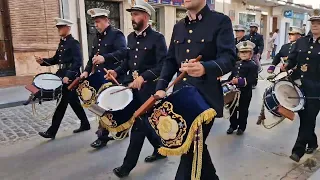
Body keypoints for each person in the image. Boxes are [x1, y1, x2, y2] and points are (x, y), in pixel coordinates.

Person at [154, 1, 236, 179]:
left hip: (204, 99)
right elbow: (170, 61)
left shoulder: (220, 21)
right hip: (180, 97)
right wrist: (161, 87)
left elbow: (229, 58)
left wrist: (206, 68)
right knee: (194, 149)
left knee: (190, 147)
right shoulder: (178, 27)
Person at [105, 0, 168, 177]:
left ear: (146, 17)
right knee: (144, 124)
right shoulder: (131, 38)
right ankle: (160, 148)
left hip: (149, 90)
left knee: (139, 125)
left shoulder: (157, 38)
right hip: (132, 88)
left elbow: (163, 64)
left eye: (136, 14)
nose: (133, 18)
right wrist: (115, 72)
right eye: (132, 14)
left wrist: (144, 77)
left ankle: (127, 166)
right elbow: (127, 62)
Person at [79, 8, 128, 149]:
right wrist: (86, 71)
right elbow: (92, 58)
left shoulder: (116, 34)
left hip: (112, 76)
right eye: (94, 22)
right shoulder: (97, 38)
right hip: (100, 77)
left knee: (107, 105)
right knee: (98, 105)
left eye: (98, 21)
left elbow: (123, 52)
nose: (96, 25)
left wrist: (105, 58)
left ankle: (104, 135)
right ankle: (105, 132)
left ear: (107, 20)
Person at [36, 18, 91, 139]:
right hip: (62, 76)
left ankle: (52, 131)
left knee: (61, 103)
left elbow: (78, 62)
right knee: (73, 102)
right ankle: (85, 123)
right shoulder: (62, 43)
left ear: (68, 27)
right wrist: (42, 61)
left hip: (70, 78)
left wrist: (69, 75)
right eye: (58, 27)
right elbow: (55, 59)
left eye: (61, 27)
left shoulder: (73, 43)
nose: (59, 29)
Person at [281, 9, 320, 162]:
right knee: (305, 118)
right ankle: (313, 142)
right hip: (299, 86)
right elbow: (292, 58)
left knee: (309, 118)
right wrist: (287, 65)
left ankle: (298, 150)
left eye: (319, 23)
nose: (315, 25)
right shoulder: (301, 41)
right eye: (313, 23)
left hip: (317, 88)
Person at [256, 26, 302, 125]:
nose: (290, 36)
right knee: (279, 90)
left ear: (299, 36)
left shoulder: (301, 47)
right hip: (284, 73)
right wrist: (272, 66)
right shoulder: (285, 46)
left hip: (296, 74)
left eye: (293, 34)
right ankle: (280, 107)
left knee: (295, 93)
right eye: (289, 34)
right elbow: (278, 56)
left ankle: (294, 108)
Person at [226, 40, 258, 135]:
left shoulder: (253, 65)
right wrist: (228, 81)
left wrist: (239, 81)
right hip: (234, 92)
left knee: (243, 110)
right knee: (232, 108)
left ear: (251, 54)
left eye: (246, 52)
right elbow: (232, 76)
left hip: (245, 92)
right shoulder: (236, 64)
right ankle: (233, 125)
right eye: (242, 52)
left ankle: (241, 127)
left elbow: (253, 80)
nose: (243, 54)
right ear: (239, 53)